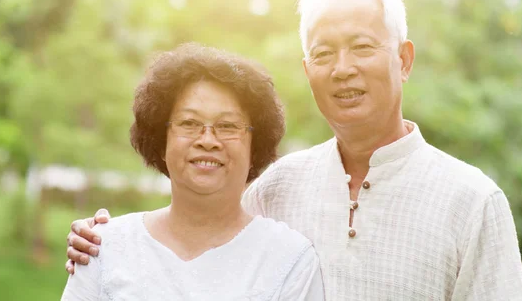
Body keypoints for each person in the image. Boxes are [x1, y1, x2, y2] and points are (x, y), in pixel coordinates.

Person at [65, 0, 522, 300]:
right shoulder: (276, 186)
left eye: (362, 47)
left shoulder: (471, 202)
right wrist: (100, 240)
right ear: (308, 70)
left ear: (404, 59)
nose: (342, 69)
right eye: (323, 54)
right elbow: (198, 228)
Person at [61, 43, 325, 300]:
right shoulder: (102, 246)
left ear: (253, 148)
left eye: (228, 126)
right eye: (189, 123)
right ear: (160, 141)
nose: (208, 140)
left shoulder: (289, 259)